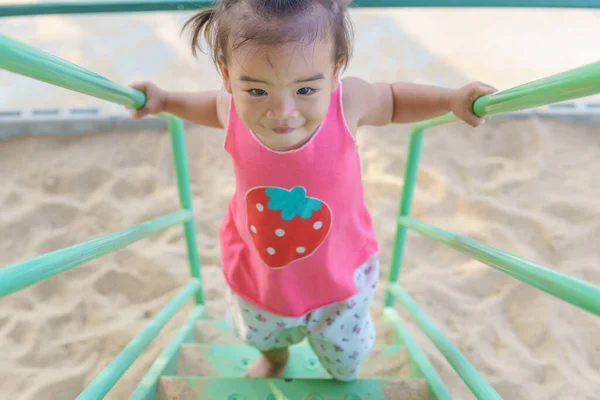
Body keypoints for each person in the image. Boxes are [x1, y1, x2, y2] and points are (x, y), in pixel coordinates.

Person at [129, 0, 497, 380]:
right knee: (263, 333)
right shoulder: (230, 108)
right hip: (261, 268)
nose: (282, 111)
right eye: (257, 91)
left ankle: (341, 371)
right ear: (226, 75)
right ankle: (275, 359)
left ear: (336, 70)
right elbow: (205, 107)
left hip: (340, 269)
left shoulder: (347, 102)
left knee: (345, 358)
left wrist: (452, 100)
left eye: (305, 89)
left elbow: (396, 100)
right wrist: (166, 100)